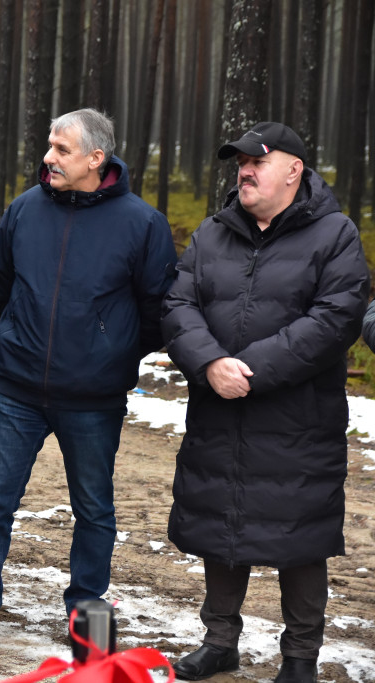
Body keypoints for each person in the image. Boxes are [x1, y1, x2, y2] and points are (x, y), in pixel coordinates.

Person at [0, 108, 177, 648]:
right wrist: (20, 333)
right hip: (18, 388)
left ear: (96, 158)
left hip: (93, 397)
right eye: (49, 146)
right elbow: (0, 284)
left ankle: (89, 622)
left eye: (62, 149)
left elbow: (156, 309)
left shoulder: (142, 223)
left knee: (94, 510)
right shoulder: (25, 208)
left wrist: (109, 351)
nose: (48, 157)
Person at [162, 122, 370, 683]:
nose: (245, 172)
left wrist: (249, 370)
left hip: (298, 420)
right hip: (219, 409)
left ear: (294, 170)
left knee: (300, 535)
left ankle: (300, 657)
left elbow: (335, 318)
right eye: (241, 164)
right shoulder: (213, 233)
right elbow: (178, 305)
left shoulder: (334, 234)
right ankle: (219, 642)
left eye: (257, 162)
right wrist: (210, 363)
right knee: (221, 524)